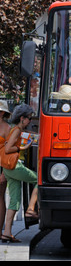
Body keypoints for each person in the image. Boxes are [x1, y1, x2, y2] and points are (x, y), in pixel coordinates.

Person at [1, 104, 38, 244]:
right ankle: (30, 209)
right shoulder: (16, 130)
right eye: (29, 118)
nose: (30, 121)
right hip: (14, 167)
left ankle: (7, 233)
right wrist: (23, 147)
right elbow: (8, 148)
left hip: (9, 169)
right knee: (39, 179)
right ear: (22, 118)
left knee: (15, 200)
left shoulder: (18, 130)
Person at [0, 101, 11, 238]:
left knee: (0, 197)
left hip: (1, 165)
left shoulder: (7, 128)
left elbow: (8, 152)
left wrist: (4, 172)